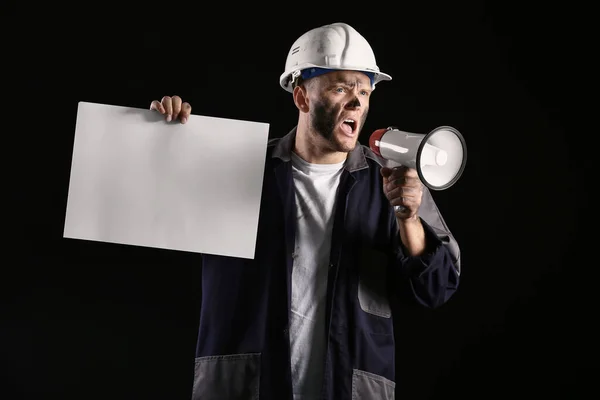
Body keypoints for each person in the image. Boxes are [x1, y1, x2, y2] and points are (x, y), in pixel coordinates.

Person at [149, 22, 461, 400]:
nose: (357, 102)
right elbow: (150, 209)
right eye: (341, 87)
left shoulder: (394, 182)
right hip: (246, 388)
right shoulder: (237, 169)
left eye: (364, 90)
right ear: (302, 98)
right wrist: (161, 138)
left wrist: (408, 218)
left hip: (349, 388)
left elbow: (435, 289)